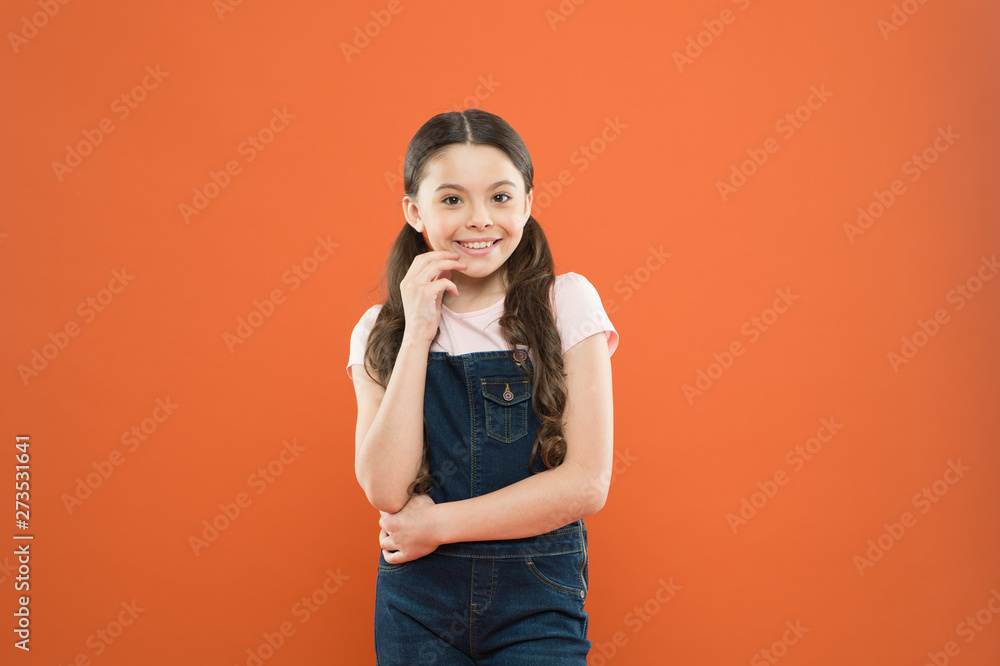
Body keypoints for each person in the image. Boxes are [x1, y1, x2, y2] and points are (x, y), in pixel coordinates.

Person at [346, 108, 619, 664]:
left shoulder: (565, 303)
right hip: (416, 599)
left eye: (500, 196)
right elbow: (384, 488)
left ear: (528, 202)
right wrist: (419, 329)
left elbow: (587, 484)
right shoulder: (381, 330)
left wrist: (437, 526)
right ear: (413, 211)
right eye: (451, 199)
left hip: (537, 595)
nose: (479, 219)